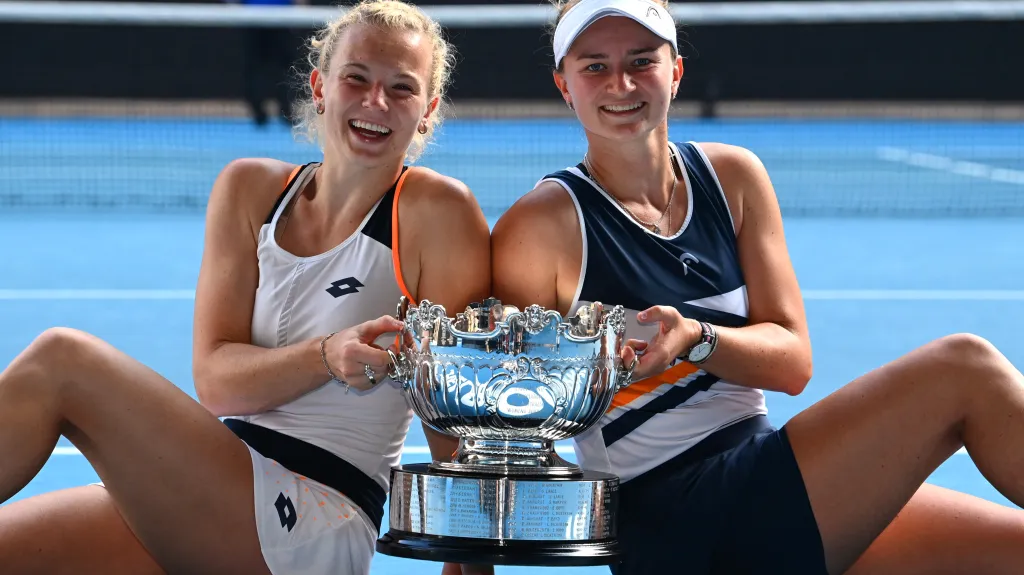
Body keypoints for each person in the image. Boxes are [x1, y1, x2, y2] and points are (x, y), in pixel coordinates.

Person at [490, 0, 1024, 574]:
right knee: (963, 370)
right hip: (672, 518)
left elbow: (792, 362)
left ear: (675, 70)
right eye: (594, 66)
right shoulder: (541, 226)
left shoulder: (733, 178)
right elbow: (505, 418)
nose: (620, 83)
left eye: (641, 60)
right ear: (564, 86)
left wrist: (696, 337)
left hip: (762, 477)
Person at [0, 2, 492, 574]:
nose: (374, 103)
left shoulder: (439, 212)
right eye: (356, 78)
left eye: (401, 89)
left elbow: (454, 430)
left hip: (316, 519)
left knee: (64, 362)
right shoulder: (248, 189)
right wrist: (326, 356)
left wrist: (468, 566)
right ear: (320, 87)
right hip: (222, 485)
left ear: (428, 111)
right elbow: (218, 384)